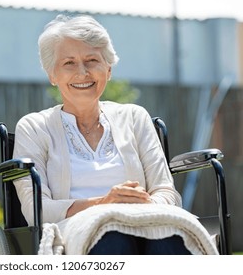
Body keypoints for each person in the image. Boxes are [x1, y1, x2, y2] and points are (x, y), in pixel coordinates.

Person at [12, 14, 193, 255]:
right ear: (52, 75)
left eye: (92, 60)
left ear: (108, 69)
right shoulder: (34, 128)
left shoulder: (134, 117)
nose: (82, 72)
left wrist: (143, 209)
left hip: (144, 222)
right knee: (113, 237)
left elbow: (166, 191)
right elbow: (37, 210)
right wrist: (104, 204)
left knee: (171, 237)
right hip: (75, 233)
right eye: (69, 63)